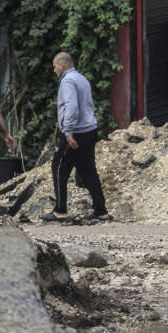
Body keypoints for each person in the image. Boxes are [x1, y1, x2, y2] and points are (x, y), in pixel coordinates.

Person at [43, 51, 111, 222]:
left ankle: (60, 210)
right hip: (89, 130)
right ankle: (101, 210)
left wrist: (68, 132)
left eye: (55, 66)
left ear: (62, 65)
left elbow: (72, 107)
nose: (54, 70)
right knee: (88, 170)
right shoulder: (82, 79)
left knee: (59, 167)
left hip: (76, 132)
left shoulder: (67, 81)